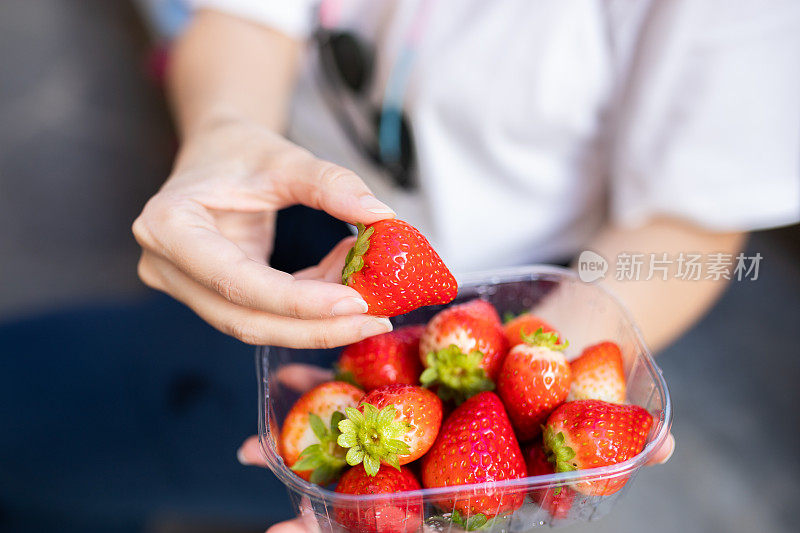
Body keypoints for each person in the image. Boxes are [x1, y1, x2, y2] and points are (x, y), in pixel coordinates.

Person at [131, 1, 799, 531]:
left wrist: (543, 357)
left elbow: (691, 217)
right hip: (284, 196)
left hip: (528, 293)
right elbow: (249, 14)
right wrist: (224, 133)